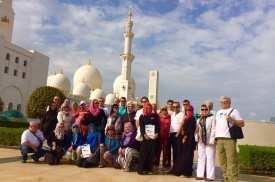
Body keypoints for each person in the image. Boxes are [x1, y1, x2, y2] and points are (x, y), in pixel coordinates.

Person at [215, 96, 244, 182]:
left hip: (229, 139)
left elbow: (242, 123)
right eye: (221, 102)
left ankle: (233, 180)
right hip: (219, 139)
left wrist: (233, 121)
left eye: (225, 102)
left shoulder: (234, 111)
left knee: (231, 161)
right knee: (222, 162)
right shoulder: (218, 112)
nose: (223, 103)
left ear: (229, 102)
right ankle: (226, 178)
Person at [171, 104, 196, 177]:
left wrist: (185, 137)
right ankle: (182, 171)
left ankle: (187, 173)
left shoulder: (192, 119)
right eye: (187, 110)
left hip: (189, 139)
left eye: (190, 110)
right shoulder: (186, 118)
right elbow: (182, 127)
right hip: (183, 138)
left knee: (188, 156)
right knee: (183, 156)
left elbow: (191, 129)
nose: (188, 111)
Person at [137, 103, 160, 175]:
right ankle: (141, 170)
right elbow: (142, 127)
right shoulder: (142, 116)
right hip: (145, 138)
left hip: (153, 138)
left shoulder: (155, 116)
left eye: (150, 108)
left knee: (151, 154)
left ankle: (149, 169)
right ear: (144, 108)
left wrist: (157, 133)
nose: (148, 109)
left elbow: (158, 125)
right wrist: (144, 134)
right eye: (147, 108)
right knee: (144, 154)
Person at [195, 104, 216, 181]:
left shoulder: (212, 117)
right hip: (201, 141)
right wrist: (196, 138)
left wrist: (212, 140)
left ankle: (210, 176)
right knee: (201, 157)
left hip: (209, 140)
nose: (203, 111)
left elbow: (214, 129)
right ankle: (200, 175)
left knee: (210, 158)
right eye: (202, 109)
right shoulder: (199, 119)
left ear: (208, 110)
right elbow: (197, 130)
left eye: (205, 109)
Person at [168, 101, 183, 168]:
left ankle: (178, 167)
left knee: (178, 151)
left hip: (177, 134)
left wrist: (178, 133)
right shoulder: (172, 114)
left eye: (177, 107)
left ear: (179, 107)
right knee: (173, 151)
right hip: (171, 134)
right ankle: (174, 167)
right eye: (174, 107)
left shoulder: (181, 114)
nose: (175, 108)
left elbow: (181, 124)